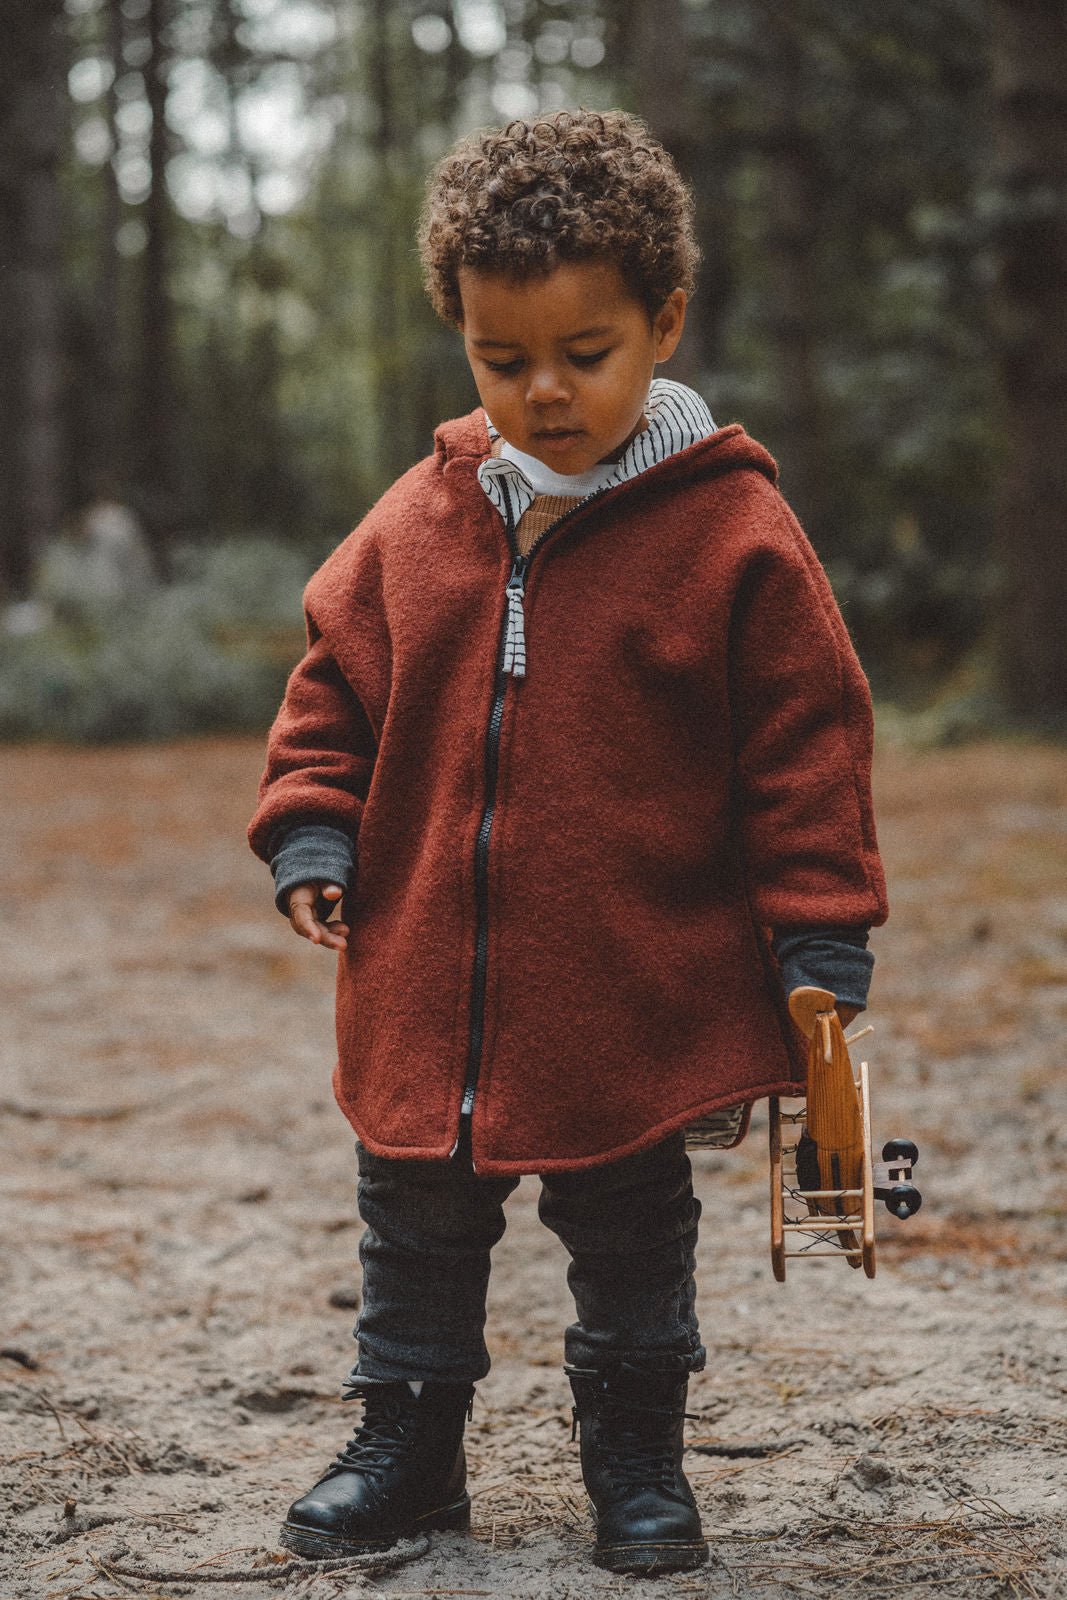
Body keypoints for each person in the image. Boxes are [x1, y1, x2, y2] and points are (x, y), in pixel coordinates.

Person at [248, 109, 887, 1577]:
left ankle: (640, 1464)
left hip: (629, 989)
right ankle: (406, 1448)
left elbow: (807, 745)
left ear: (663, 322)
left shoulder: (731, 532)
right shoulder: (421, 516)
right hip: (428, 978)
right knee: (411, 1222)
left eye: (584, 355)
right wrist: (311, 832)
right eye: (500, 357)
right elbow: (331, 687)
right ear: (458, 334)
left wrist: (821, 931)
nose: (542, 393)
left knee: (631, 1232)